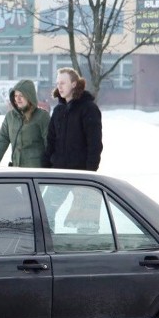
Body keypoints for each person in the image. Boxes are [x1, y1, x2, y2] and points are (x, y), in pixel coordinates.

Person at [43, 68, 104, 231]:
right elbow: (50, 142)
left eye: (63, 83)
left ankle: (88, 252)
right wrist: (45, 170)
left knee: (85, 222)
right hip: (58, 174)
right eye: (57, 83)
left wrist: (89, 174)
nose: (59, 87)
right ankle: (48, 248)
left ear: (74, 84)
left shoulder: (88, 108)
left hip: (81, 175)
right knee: (45, 212)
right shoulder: (58, 110)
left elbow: (95, 145)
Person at [0, 79, 51, 168]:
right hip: (17, 172)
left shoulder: (42, 117)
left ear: (29, 96)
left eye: (21, 95)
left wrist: (50, 170)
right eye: (16, 95)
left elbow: (49, 145)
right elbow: (1, 142)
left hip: (36, 173)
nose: (17, 99)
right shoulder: (10, 117)